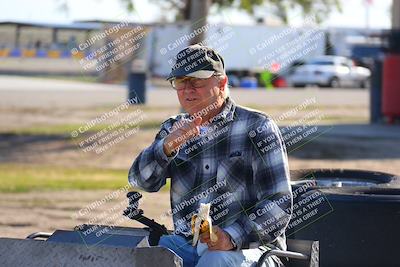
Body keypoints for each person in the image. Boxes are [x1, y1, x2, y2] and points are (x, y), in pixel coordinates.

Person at [128, 44, 292, 267]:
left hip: (253, 249)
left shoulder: (257, 127)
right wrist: (165, 148)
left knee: (215, 259)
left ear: (222, 83)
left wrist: (231, 237)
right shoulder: (172, 129)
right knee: (143, 256)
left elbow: (279, 203)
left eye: (196, 82)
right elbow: (140, 181)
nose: (187, 90)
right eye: (180, 82)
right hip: (188, 244)